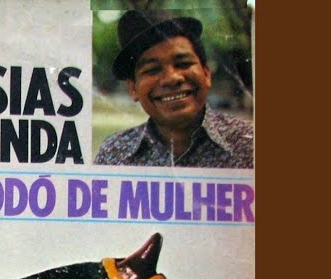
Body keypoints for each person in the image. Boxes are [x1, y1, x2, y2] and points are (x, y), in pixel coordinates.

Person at [93, 10, 253, 168]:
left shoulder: (250, 144)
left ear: (206, 74)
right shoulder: (114, 154)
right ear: (133, 89)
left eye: (183, 64)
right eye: (152, 70)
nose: (172, 78)